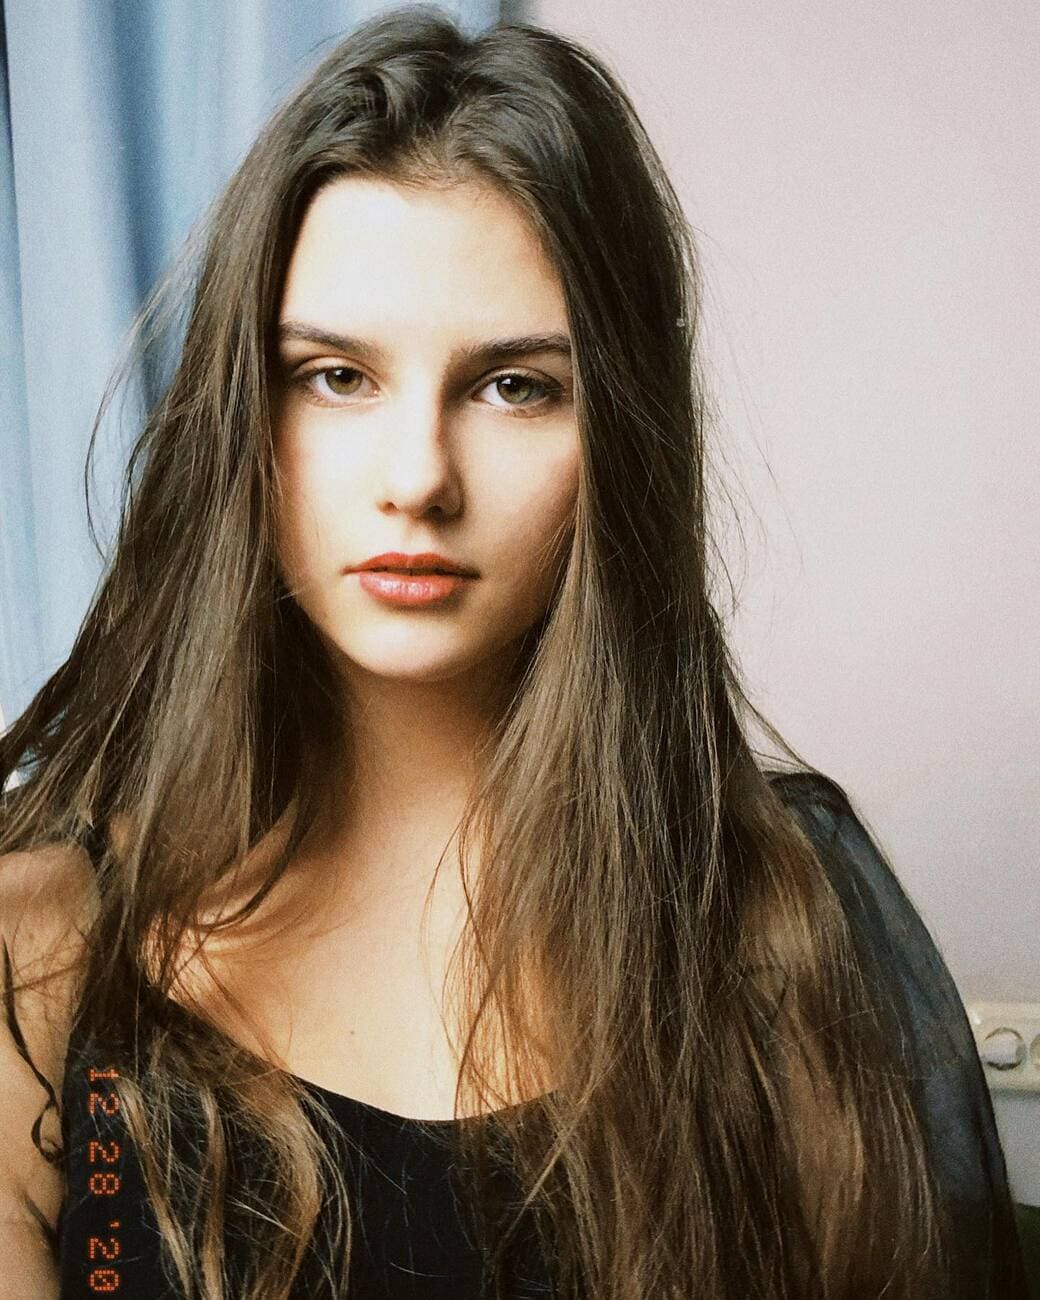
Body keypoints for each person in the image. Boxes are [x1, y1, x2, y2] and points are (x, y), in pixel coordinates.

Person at [0, 7, 1027, 1298]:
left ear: (622, 438)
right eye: (335, 377)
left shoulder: (775, 923)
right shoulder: (39, 951)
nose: (418, 479)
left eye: (515, 386)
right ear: (239, 416)